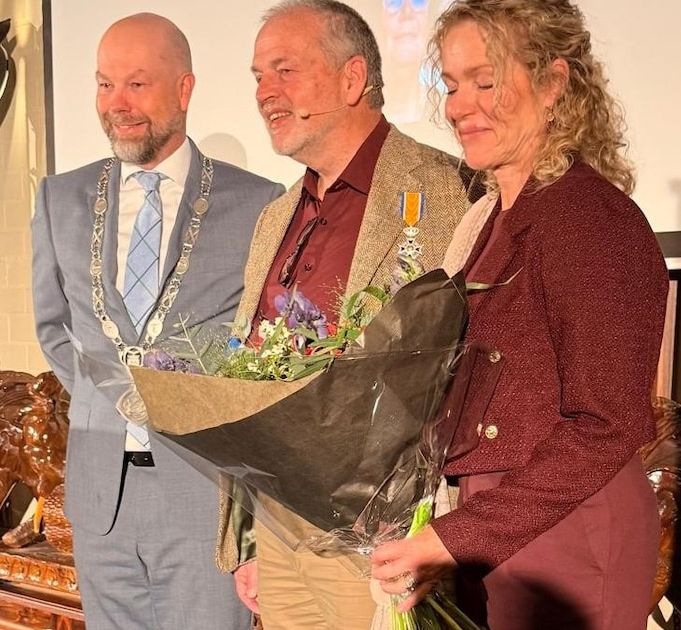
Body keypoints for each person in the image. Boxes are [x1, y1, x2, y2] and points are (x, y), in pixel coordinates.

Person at [370, 1, 669, 628]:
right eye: (451, 86)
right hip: (510, 527)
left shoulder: (588, 218)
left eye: (486, 81)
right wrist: (453, 539)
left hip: (570, 531)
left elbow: (607, 424)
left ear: (555, 83)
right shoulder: (494, 219)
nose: (458, 106)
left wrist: (456, 537)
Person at [219, 1, 473, 628]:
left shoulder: (449, 189)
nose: (264, 93)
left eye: (284, 70)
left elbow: (471, 372)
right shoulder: (276, 217)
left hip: (385, 537)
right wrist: (248, 539)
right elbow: (248, 383)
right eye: (257, 76)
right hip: (279, 526)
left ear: (353, 78)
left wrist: (443, 535)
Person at [31, 13, 284, 630]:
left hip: (204, 494)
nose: (117, 104)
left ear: (184, 90)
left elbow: (261, 352)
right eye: (103, 84)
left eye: (137, 85)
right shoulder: (59, 198)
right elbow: (53, 328)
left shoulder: (260, 204)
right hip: (99, 500)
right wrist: (109, 399)